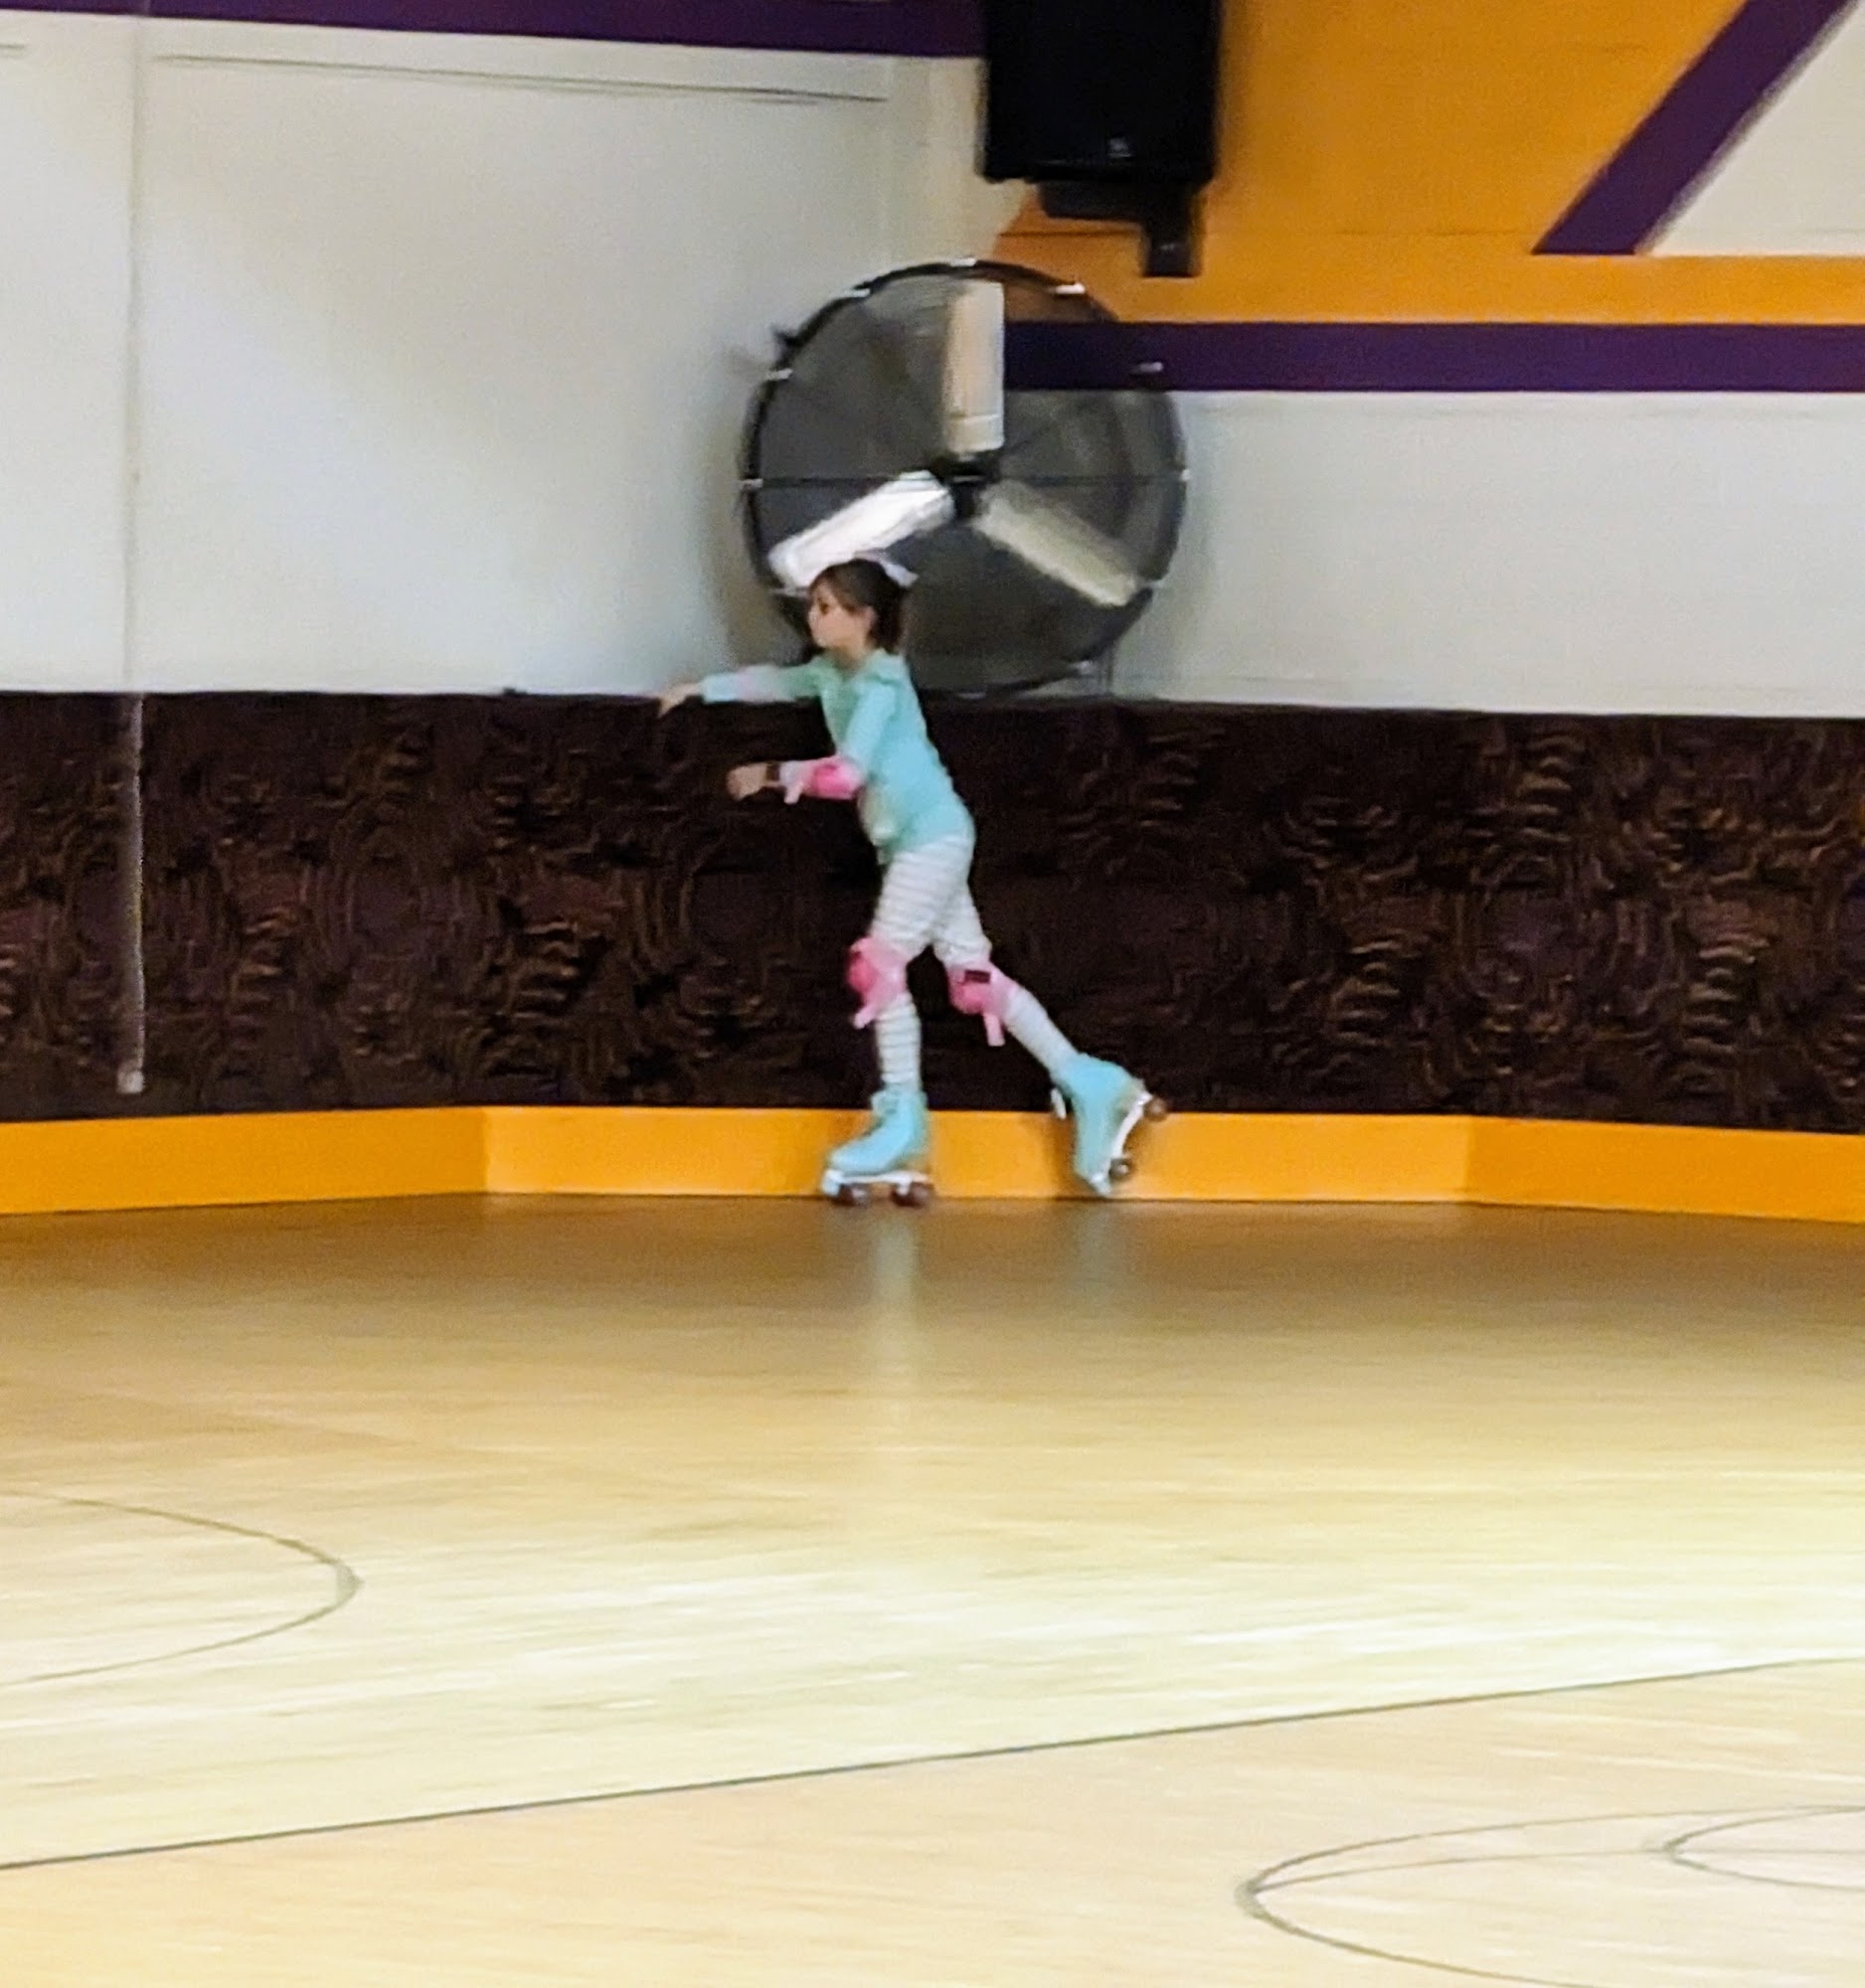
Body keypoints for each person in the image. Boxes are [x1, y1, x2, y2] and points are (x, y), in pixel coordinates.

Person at [658, 558, 1161, 1204]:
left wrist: (772, 773)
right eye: (813, 604)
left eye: (827, 607)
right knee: (973, 980)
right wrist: (699, 689)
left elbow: (847, 774)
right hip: (921, 842)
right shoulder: (832, 674)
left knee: (879, 967)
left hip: (931, 839)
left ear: (864, 618)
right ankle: (1091, 1083)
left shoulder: (881, 684)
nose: (813, 617)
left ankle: (902, 1122)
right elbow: (774, 682)